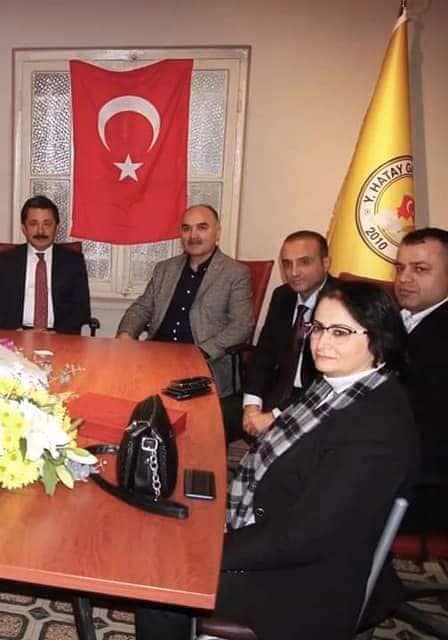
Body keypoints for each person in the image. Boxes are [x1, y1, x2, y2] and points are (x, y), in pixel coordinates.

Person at [135, 280, 419, 640]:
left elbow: (305, 536)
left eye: (340, 331)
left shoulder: (376, 428)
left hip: (305, 582)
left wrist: (213, 547)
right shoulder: (337, 386)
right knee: (174, 523)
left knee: (161, 582)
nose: (321, 342)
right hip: (275, 532)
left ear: (379, 338)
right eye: (318, 327)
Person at [116, 204, 252, 397]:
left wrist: (201, 352)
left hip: (205, 364)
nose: (193, 236)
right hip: (155, 356)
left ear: (218, 232)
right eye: (186, 228)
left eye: (202, 227)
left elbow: (242, 325)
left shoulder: (235, 273)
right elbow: (142, 307)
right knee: (116, 388)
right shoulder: (165, 268)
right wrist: (126, 334)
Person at [241, 231, 333, 438]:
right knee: (209, 420)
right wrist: (252, 406)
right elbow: (263, 353)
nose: (294, 272)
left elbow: (329, 380)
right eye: (287, 264)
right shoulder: (283, 295)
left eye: (304, 262)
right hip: (276, 391)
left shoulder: (342, 301)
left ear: (326, 263)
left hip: (316, 401)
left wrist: (275, 416)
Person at [394, 227, 448, 534]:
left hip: (423, 481)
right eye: (400, 268)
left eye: (420, 269)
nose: (404, 278)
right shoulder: (399, 317)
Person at [0, 195, 91, 334]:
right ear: (24, 228)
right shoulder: (6, 261)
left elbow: (81, 309)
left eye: (47, 224)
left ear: (56, 228)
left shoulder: (73, 261)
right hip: (17, 334)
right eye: (33, 224)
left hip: (59, 335)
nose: (40, 231)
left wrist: (57, 333)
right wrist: (17, 331)